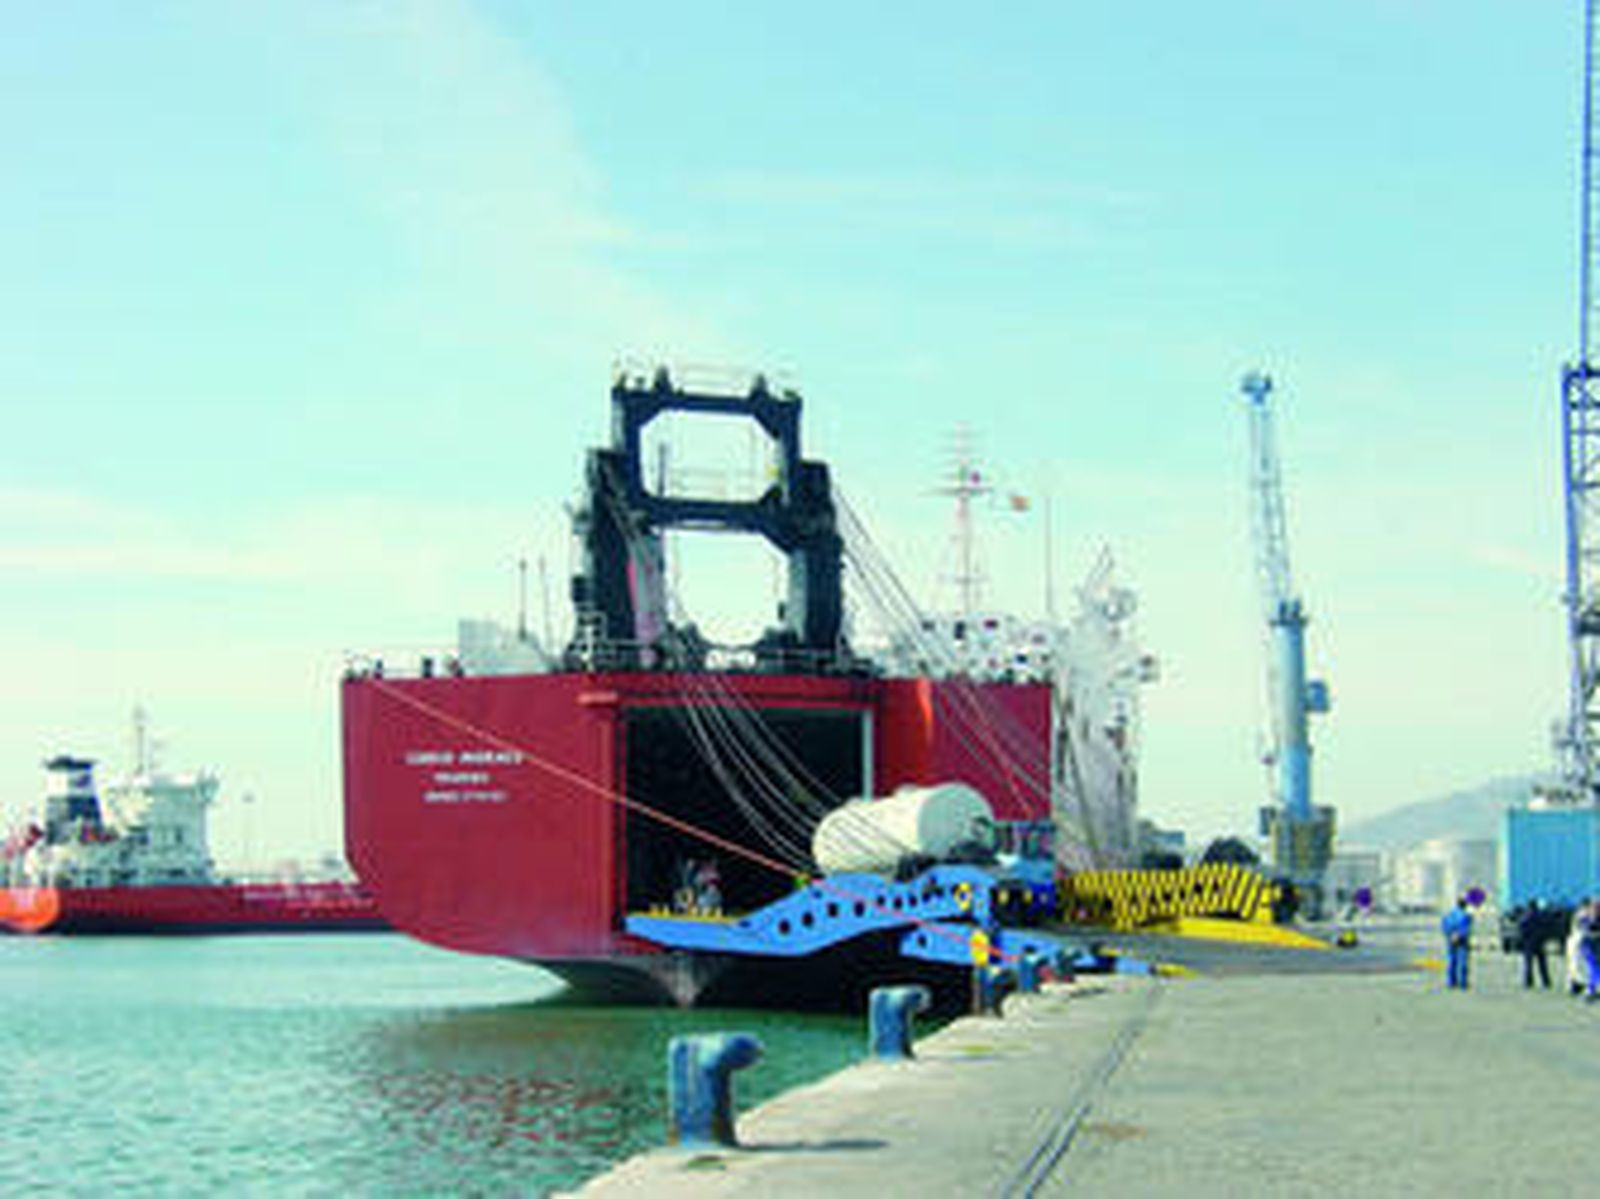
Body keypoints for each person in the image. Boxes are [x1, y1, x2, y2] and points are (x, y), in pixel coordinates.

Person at [1514, 900, 1552, 990]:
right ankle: (1546, 981)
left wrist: (1522, 940)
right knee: (1542, 964)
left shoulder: (1526, 917)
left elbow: (1521, 929)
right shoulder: (1541, 916)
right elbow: (1547, 927)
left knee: (1528, 964)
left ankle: (1528, 982)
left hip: (1529, 943)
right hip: (1539, 942)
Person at [1441, 896, 1473, 990]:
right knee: (1462, 962)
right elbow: (1466, 929)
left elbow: (1444, 925)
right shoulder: (1466, 916)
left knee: (1451, 961)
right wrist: (1459, 935)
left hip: (1451, 940)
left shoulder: (1449, 914)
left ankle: (1451, 982)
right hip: (1462, 941)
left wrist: (1450, 935)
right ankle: (1463, 983)